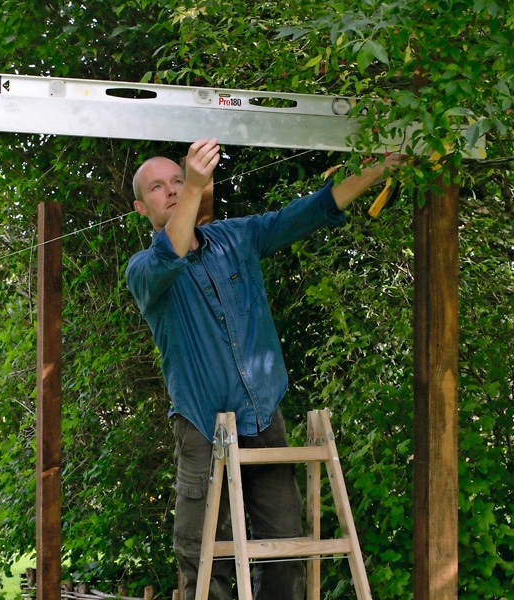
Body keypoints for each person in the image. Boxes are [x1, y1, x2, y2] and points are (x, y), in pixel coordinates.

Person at [126, 139, 400, 600]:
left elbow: (312, 210)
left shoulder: (237, 237)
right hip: (201, 425)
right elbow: (170, 254)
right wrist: (195, 184)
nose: (172, 191)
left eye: (178, 180)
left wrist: (380, 166)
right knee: (203, 555)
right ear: (140, 207)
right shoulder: (143, 269)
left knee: (287, 551)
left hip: (263, 416)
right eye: (158, 187)